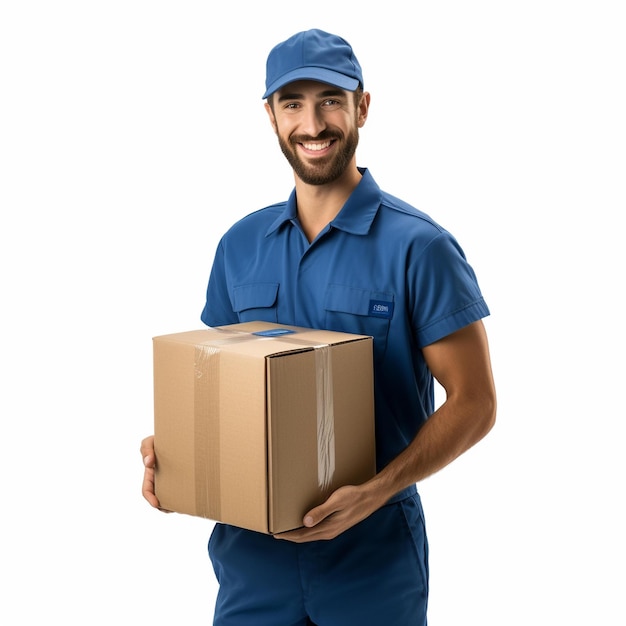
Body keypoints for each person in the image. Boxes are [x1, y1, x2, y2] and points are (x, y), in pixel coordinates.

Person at [141, 28, 496, 626]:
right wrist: (179, 460)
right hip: (252, 557)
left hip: (373, 558)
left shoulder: (419, 247)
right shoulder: (240, 244)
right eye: (292, 104)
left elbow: (476, 402)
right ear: (270, 116)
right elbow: (217, 387)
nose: (312, 123)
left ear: (362, 106)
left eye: (330, 99)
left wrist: (377, 491)